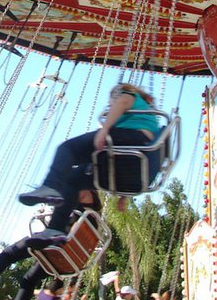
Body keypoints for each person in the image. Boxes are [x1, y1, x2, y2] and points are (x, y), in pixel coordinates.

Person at [19, 83, 160, 207]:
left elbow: (122, 101)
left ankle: (50, 186)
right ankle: (55, 229)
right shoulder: (145, 114)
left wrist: (104, 129)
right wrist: (125, 196)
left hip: (129, 138)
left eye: (111, 105)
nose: (111, 108)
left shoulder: (129, 95)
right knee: (73, 180)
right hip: (130, 155)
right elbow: (133, 162)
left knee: (68, 149)